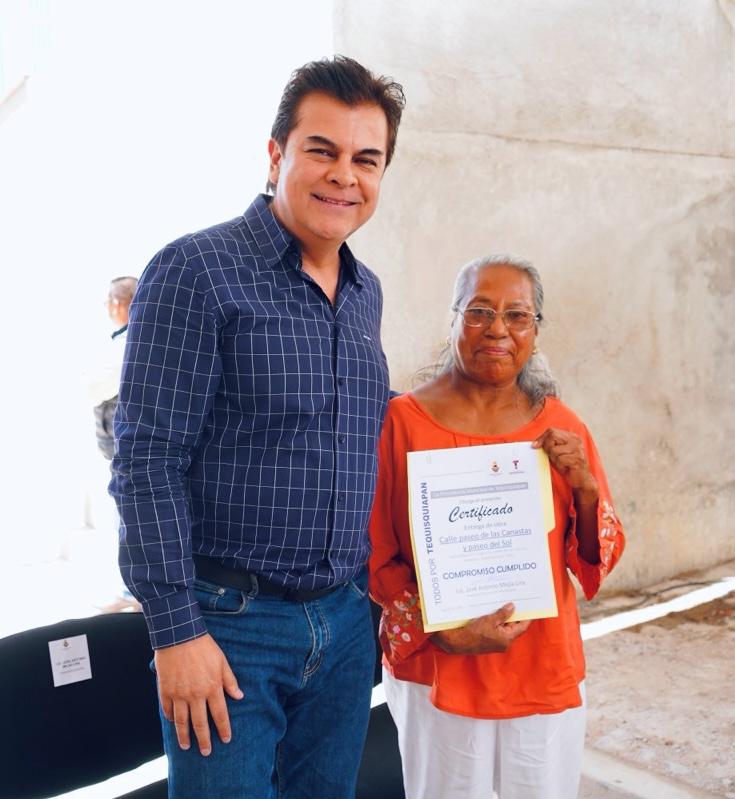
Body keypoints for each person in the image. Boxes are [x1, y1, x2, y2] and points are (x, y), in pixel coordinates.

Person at [109, 56, 405, 798]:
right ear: (277, 155)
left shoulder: (364, 291)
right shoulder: (197, 270)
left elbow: (354, 424)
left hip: (343, 622)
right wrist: (176, 630)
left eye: (365, 159)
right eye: (322, 150)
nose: (344, 175)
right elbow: (146, 459)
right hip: (230, 626)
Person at [368, 254, 625, 799]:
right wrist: (441, 629)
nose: (498, 330)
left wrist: (585, 488)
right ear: (454, 318)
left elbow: (591, 561)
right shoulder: (401, 423)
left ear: (536, 329)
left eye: (517, 315)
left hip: (540, 662)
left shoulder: (562, 426)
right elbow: (374, 555)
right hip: (440, 665)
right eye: (480, 311)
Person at [92, 276, 138, 459]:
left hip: (122, 443)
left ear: (119, 303)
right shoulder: (127, 337)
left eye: (110, 301)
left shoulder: (128, 342)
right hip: (119, 442)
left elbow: (93, 388)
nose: (108, 307)